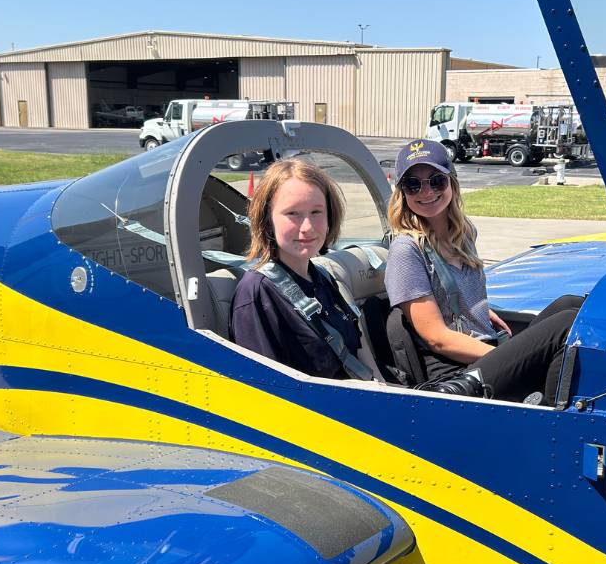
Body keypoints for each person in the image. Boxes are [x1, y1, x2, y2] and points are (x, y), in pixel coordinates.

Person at [385, 139, 581, 402]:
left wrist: (477, 309)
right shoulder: (406, 250)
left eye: (436, 181)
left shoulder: (463, 234)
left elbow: (451, 293)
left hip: (486, 349)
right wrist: (511, 357)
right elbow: (437, 338)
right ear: (402, 193)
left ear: (451, 182)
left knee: (570, 304)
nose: (426, 191)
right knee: (565, 324)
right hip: (456, 373)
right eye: (413, 184)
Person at [229, 159, 372, 380]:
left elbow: (357, 354)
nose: (307, 227)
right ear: (267, 221)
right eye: (293, 213)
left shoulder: (323, 278)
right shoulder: (257, 293)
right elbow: (265, 389)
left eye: (316, 212)